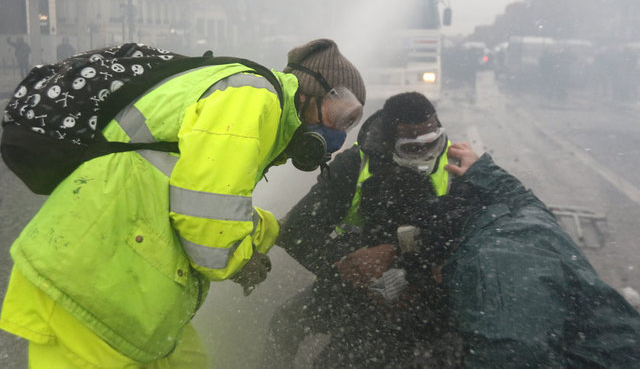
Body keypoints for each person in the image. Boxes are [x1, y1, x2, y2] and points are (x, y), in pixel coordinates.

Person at [0, 38, 366, 367]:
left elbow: (205, 201)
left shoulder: (256, 106)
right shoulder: (254, 99)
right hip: (89, 290)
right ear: (306, 94)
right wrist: (242, 259)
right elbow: (211, 232)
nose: (339, 133)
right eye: (338, 115)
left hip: (129, 291)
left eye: (350, 122)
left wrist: (268, 230)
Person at [337, 143, 640, 367]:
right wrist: (482, 170)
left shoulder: (491, 278)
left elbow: (510, 357)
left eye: (434, 273)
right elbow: (519, 195)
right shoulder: (522, 218)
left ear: (442, 266)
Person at [265, 92, 462, 368]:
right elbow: (298, 230)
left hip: (433, 289)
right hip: (357, 289)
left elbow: (482, 233)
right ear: (388, 143)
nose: (427, 155)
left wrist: (405, 264)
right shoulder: (354, 166)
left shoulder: (459, 165)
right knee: (286, 323)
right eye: (412, 148)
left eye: (433, 143)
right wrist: (349, 262)